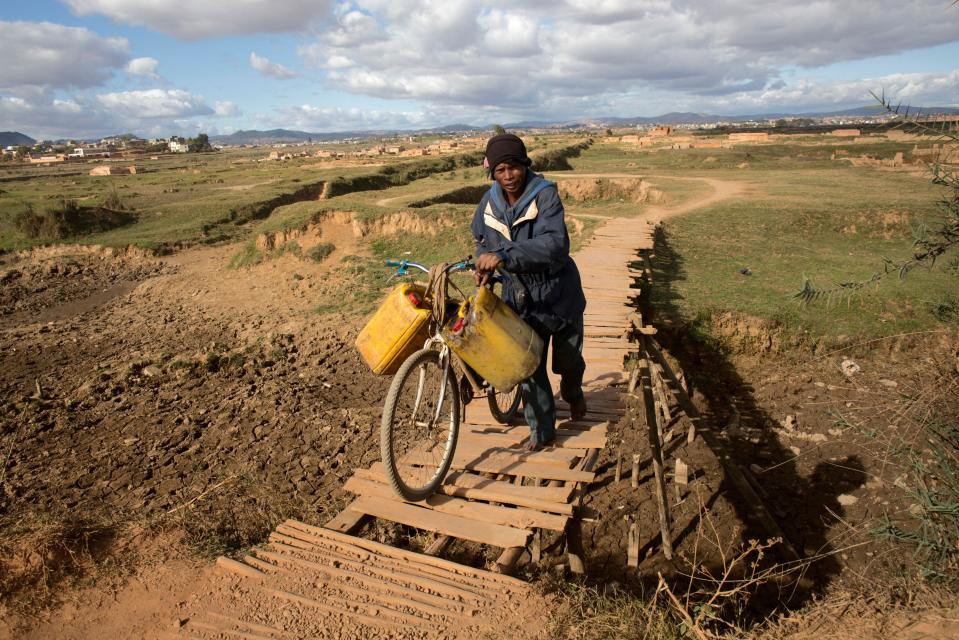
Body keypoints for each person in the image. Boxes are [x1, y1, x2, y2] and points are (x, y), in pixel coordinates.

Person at [472, 133, 587, 450]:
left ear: (525, 165)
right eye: (500, 170)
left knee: (570, 362)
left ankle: (574, 393)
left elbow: (555, 243)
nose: (508, 176)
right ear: (492, 173)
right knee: (530, 367)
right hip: (519, 298)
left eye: (513, 167)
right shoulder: (489, 203)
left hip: (559, 295)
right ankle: (542, 432)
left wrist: (506, 256)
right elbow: (481, 238)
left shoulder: (545, 196)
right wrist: (482, 262)